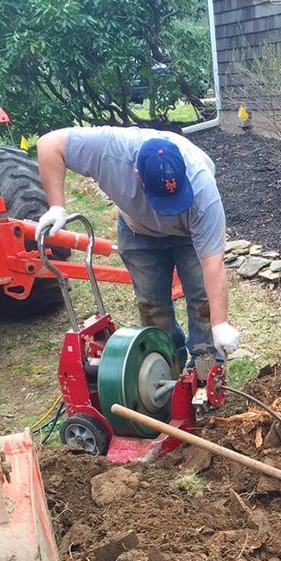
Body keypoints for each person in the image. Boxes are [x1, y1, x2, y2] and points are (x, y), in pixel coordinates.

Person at [36, 127, 239, 378]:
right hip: (138, 232)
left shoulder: (203, 189)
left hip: (189, 233)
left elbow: (212, 264)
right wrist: (57, 206)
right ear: (137, 175)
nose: (167, 211)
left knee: (202, 300)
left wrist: (219, 325)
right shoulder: (110, 151)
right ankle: (167, 365)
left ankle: (206, 367)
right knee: (152, 305)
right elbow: (49, 144)